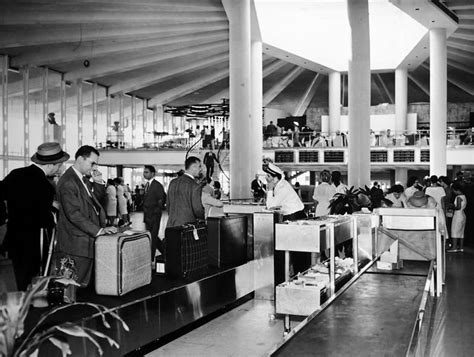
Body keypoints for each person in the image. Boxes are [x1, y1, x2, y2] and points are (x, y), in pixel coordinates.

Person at [1, 142, 69, 290]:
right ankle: (33, 305)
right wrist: (53, 213)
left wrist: (4, 218)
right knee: (35, 276)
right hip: (35, 240)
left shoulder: (16, 174)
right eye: (59, 166)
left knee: (20, 276)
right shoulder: (45, 185)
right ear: (50, 165)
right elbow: (44, 218)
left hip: (15, 236)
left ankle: (22, 303)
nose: (59, 169)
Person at [55, 145, 117, 287]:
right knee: (70, 290)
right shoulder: (69, 182)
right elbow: (74, 214)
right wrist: (99, 231)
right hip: (75, 245)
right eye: (92, 163)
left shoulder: (81, 179)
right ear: (79, 159)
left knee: (80, 289)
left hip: (84, 242)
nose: (94, 167)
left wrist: (99, 183)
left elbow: (93, 203)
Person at [166, 156, 205, 227]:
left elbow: (168, 205)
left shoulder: (173, 182)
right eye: (199, 167)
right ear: (193, 167)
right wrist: (204, 217)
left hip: (171, 225)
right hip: (187, 227)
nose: (201, 169)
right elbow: (197, 209)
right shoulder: (194, 185)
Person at [142, 165, 166, 256]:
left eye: (146, 172)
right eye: (144, 172)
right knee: (151, 236)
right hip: (147, 215)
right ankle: (165, 252)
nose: (144, 174)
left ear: (152, 173)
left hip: (154, 215)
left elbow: (161, 201)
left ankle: (151, 257)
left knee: (152, 237)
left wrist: (154, 214)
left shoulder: (157, 185)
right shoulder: (147, 184)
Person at [448, 182, 467, 252]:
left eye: (453, 190)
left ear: (455, 189)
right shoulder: (464, 196)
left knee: (455, 231)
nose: (453, 192)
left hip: (458, 215)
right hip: (463, 215)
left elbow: (458, 207)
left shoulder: (458, 197)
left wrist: (452, 207)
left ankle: (454, 247)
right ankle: (461, 247)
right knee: (461, 232)